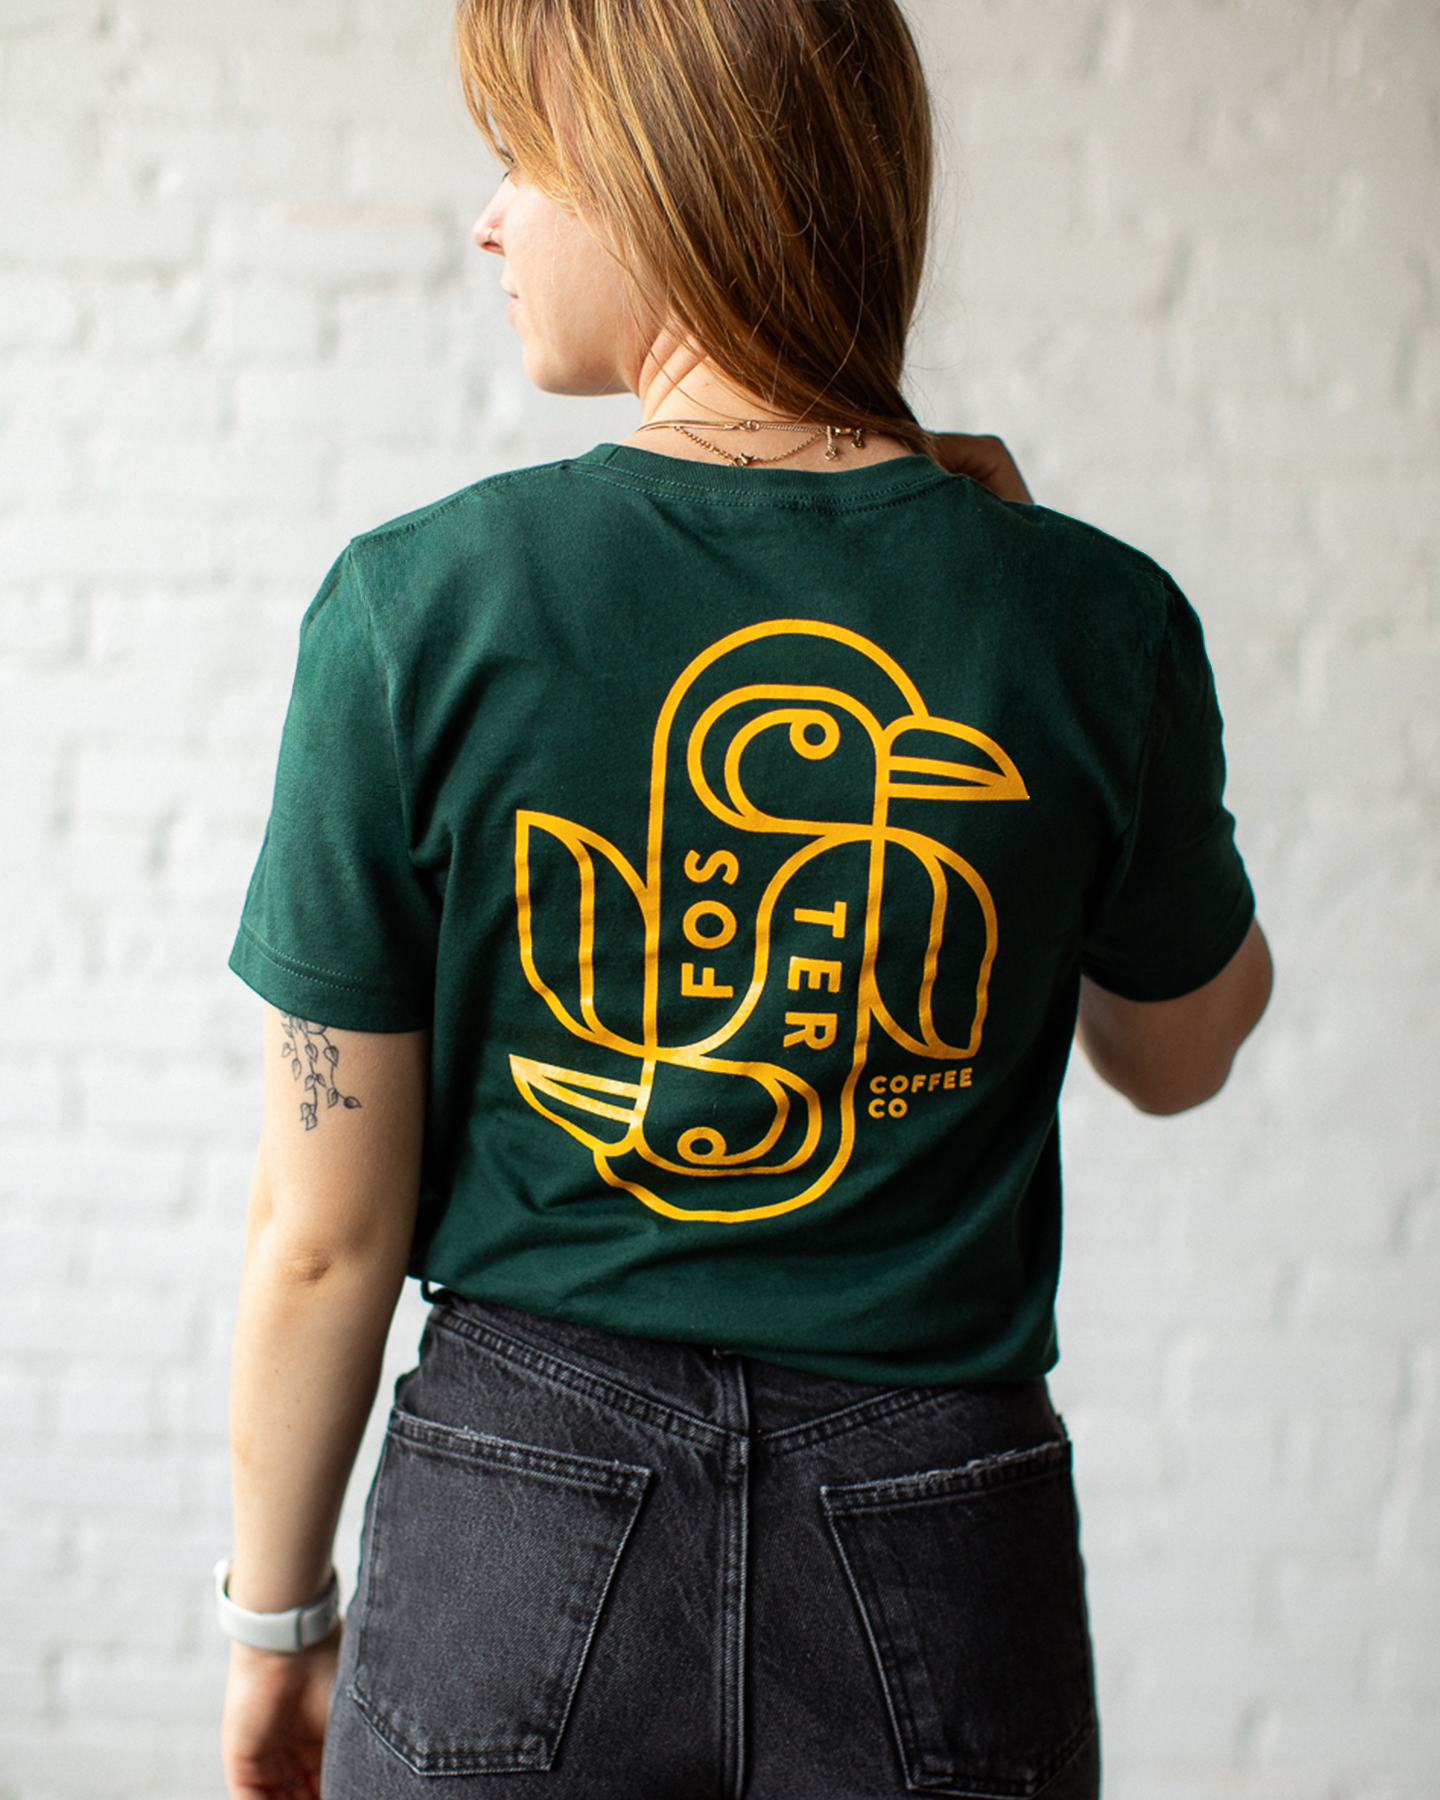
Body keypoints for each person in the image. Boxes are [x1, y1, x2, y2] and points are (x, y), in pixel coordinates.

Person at [216, 0, 1273, 1795]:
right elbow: (1181, 1053)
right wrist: (1055, 681)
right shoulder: (1093, 618)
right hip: (942, 1531)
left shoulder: (418, 607)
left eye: (523, 162)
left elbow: (323, 1235)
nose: (489, 220)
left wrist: (275, 1623)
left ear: (668, 177)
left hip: (515, 1519)